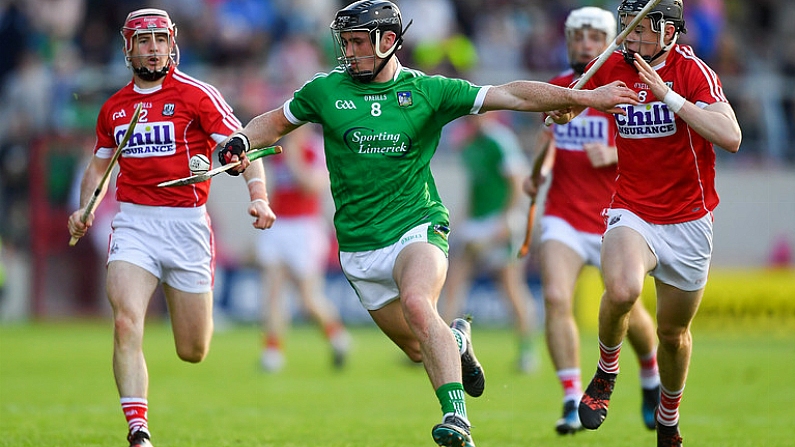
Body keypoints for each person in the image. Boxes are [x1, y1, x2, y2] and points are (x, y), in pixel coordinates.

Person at [217, 2, 639, 446]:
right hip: (359, 246)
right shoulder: (324, 91)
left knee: (420, 303)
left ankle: (457, 420)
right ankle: (457, 341)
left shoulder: (428, 91)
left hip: (418, 225)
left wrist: (584, 97)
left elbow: (511, 94)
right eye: (346, 41)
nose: (349, 50)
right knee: (420, 348)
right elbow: (273, 123)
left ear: (387, 41)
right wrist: (241, 139)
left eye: (359, 41)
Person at [66, 9, 275, 447]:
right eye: (144, 41)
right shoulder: (115, 108)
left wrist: (258, 195)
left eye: (160, 39)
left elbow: (243, 149)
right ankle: (138, 429)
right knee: (125, 322)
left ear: (172, 43)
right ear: (129, 48)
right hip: (134, 225)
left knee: (193, 350)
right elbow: (99, 166)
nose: (154, 48)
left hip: (186, 228)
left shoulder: (198, 96)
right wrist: (86, 207)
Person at [547, 1, 742, 445]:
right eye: (627, 29)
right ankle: (606, 371)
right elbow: (575, 98)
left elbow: (731, 137)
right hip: (631, 208)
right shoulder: (613, 61)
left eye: (642, 31)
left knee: (673, 334)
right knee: (621, 290)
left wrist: (669, 97)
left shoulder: (694, 72)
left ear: (669, 33)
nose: (630, 38)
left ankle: (668, 416)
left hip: (690, 220)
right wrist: (566, 109)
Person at [524, 6, 661, 435]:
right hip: (563, 213)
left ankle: (651, 375)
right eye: (577, 36)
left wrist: (616, 153)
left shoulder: (628, 89)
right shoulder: (561, 87)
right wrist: (536, 173)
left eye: (593, 36)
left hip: (613, 217)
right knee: (556, 298)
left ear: (610, 42)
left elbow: (662, 148)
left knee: (627, 306)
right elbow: (548, 140)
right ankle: (570, 398)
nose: (584, 44)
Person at [441, 112, 540, 374]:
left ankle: (526, 351)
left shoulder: (499, 139)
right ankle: (443, 347)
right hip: (477, 222)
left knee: (510, 286)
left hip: (500, 221)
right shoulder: (468, 143)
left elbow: (517, 182)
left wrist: (506, 220)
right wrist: (464, 219)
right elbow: (476, 184)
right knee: (452, 282)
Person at [255, 125, 351, 372]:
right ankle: (272, 351)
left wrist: (294, 157)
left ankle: (337, 336)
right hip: (279, 225)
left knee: (307, 299)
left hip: (304, 227)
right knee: (272, 291)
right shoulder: (279, 150)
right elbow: (274, 187)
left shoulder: (316, 147)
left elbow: (312, 186)